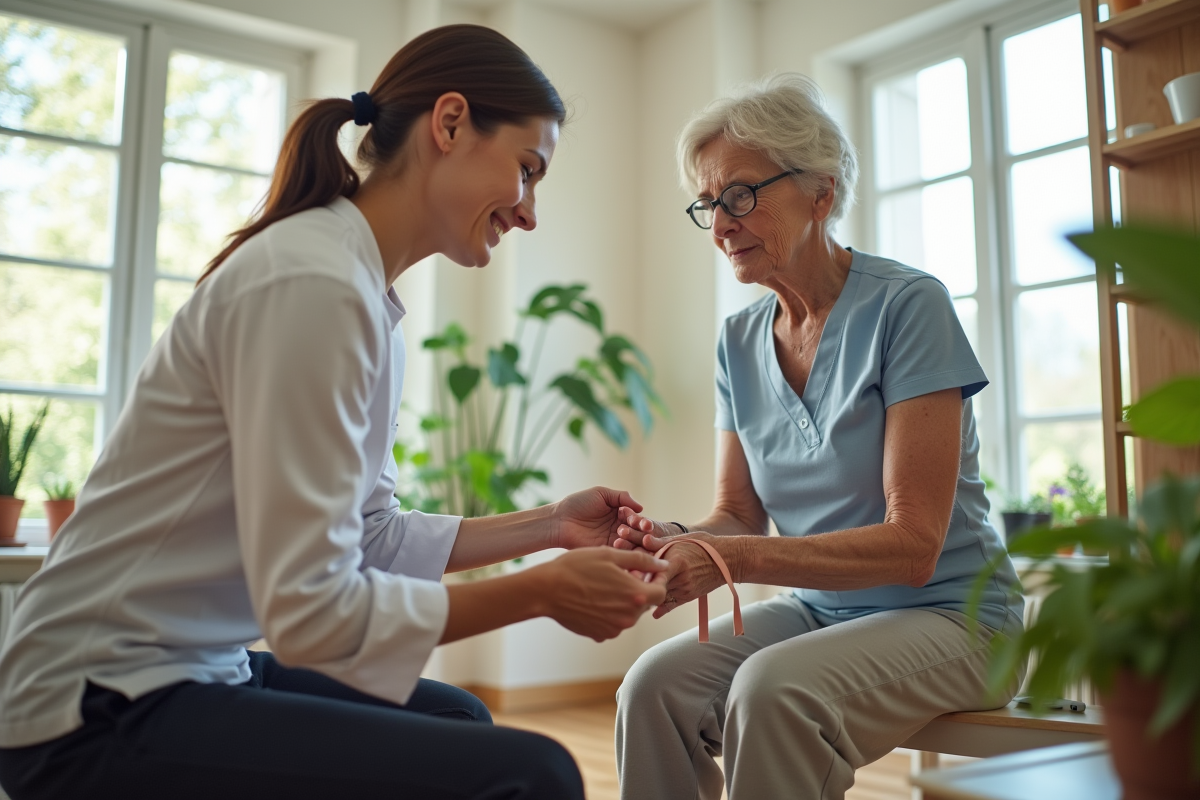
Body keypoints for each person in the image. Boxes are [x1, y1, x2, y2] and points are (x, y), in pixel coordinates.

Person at [0, 25, 668, 800]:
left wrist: (551, 527)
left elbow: (370, 533)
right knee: (535, 774)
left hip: (199, 666)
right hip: (91, 701)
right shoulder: (311, 281)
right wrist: (542, 592)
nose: (529, 213)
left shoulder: (361, 294)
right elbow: (309, 612)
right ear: (450, 123)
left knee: (458, 718)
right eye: (526, 170)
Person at [611, 73, 1024, 800]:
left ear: (821, 193)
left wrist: (727, 560)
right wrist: (676, 541)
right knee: (651, 687)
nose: (720, 224)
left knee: (774, 691)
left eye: (740, 195)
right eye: (709, 203)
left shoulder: (908, 306)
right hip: (820, 611)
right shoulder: (738, 340)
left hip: (957, 618)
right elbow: (737, 517)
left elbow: (915, 545)